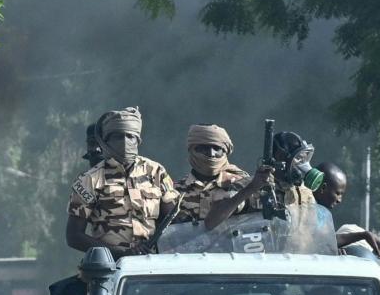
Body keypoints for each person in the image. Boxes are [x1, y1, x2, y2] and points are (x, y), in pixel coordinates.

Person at [65, 106, 181, 258]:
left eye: (130, 136)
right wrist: (120, 253)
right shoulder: (89, 180)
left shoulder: (156, 171)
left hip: (154, 263)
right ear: (106, 141)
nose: (125, 142)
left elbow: (173, 221)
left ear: (138, 140)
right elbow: (74, 236)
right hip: (110, 267)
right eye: (118, 137)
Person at [205, 130, 318, 230]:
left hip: (295, 254)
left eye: (304, 158)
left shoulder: (304, 192)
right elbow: (211, 222)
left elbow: (313, 232)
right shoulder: (249, 186)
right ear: (279, 161)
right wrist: (251, 188)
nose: (302, 164)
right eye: (297, 158)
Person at [174, 124, 252, 225]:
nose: (211, 154)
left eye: (217, 148)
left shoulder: (243, 185)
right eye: (204, 148)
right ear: (192, 150)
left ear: (225, 151)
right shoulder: (175, 191)